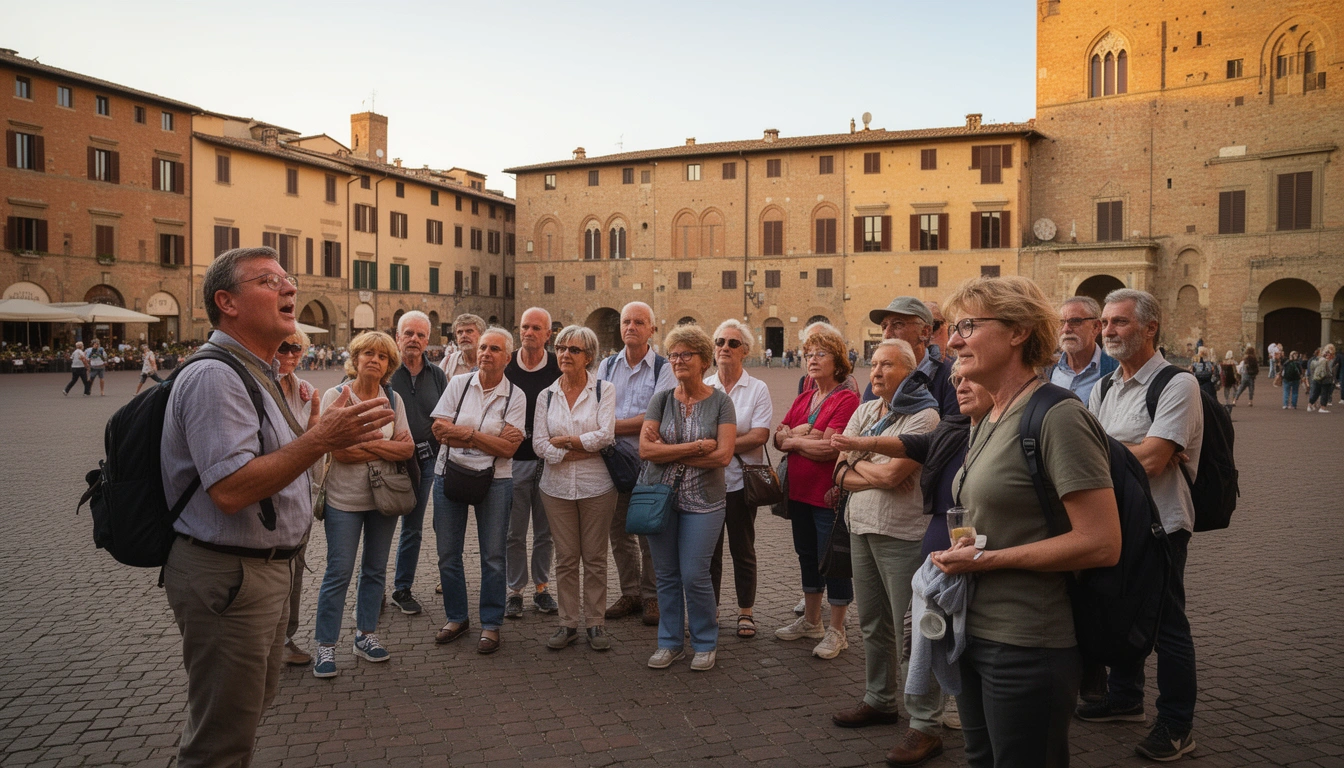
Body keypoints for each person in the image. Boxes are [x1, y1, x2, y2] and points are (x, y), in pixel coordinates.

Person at [162, 246, 393, 766]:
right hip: (229, 576)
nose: (290, 288)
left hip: (260, 575)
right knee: (220, 739)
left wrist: (312, 437)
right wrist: (321, 441)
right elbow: (231, 490)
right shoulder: (216, 377)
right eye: (270, 281)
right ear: (228, 302)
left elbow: (276, 463)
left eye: (288, 279)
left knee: (247, 712)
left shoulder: (258, 370)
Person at [931, 275, 1121, 768]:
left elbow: (1101, 542)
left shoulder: (1057, 416)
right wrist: (965, 553)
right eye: (954, 327)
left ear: (1017, 332)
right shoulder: (990, 416)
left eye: (968, 326)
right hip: (974, 632)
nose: (953, 340)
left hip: (1028, 642)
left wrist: (988, 560)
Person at [1084, 288, 1202, 761]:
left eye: (1120, 322)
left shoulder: (1178, 384)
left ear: (1151, 327)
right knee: (1116, 609)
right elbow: (1097, 454)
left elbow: (1152, 461)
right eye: (1106, 323)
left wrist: (1099, 455)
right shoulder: (1104, 386)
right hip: (1113, 520)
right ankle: (1125, 698)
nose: (1108, 331)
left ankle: (1176, 725)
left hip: (1161, 524)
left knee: (1167, 625)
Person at [828, 339, 944, 766]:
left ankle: (925, 723)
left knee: (910, 629)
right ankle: (879, 698)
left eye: (887, 365)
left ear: (910, 372)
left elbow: (896, 475)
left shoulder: (925, 415)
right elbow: (838, 469)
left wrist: (856, 458)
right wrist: (862, 465)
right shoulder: (868, 409)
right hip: (861, 526)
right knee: (873, 622)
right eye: (873, 364)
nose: (876, 372)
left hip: (901, 532)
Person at [312, 331, 414, 678]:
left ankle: (365, 635)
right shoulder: (336, 396)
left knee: (374, 570)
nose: (374, 359)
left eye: (382, 356)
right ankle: (325, 645)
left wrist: (365, 447)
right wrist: (383, 445)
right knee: (338, 572)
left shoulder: (393, 399)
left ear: (389, 365)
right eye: (367, 353)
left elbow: (407, 449)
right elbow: (337, 450)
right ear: (355, 359)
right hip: (344, 499)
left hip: (383, 497)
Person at [640, 324, 736, 671]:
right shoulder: (661, 399)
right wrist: (695, 447)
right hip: (661, 498)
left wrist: (669, 451)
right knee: (665, 574)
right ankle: (669, 643)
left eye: (686, 354)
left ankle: (705, 641)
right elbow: (645, 450)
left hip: (705, 502)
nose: (678, 360)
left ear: (704, 360)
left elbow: (723, 456)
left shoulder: (721, 402)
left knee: (694, 573)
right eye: (673, 355)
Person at [431, 328, 527, 654]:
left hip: (496, 481)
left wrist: (466, 435)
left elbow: (509, 449)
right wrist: (482, 437)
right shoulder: (458, 384)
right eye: (483, 347)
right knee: (447, 553)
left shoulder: (516, 395)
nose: (486, 353)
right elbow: (438, 430)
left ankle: (491, 623)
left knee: (494, 556)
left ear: (507, 358)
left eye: (494, 349)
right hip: (449, 476)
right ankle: (457, 617)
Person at [774, 326, 860, 659]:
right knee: (807, 555)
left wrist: (795, 440)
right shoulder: (804, 397)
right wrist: (804, 435)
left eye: (820, 354)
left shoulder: (846, 398)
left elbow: (830, 448)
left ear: (838, 361)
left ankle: (837, 630)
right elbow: (777, 436)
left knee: (834, 560)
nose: (812, 360)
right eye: (809, 354)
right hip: (798, 493)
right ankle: (811, 621)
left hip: (826, 495)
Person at [533, 325, 618, 651]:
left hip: (597, 486)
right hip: (555, 489)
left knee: (595, 558)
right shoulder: (547, 395)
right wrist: (578, 450)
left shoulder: (604, 390)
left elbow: (605, 435)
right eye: (561, 348)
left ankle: (595, 624)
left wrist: (564, 443)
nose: (565, 354)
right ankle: (568, 624)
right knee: (567, 558)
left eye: (574, 350)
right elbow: (540, 443)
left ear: (589, 357)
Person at [599, 301, 676, 625]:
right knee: (618, 533)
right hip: (613, 464)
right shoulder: (605, 366)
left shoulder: (663, 368)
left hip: (648, 464)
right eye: (626, 321)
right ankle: (630, 592)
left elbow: (655, 419)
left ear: (652, 330)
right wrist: (615, 424)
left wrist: (610, 426)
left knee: (649, 533)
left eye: (639, 322)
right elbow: (596, 407)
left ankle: (652, 597)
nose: (631, 327)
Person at [704, 319, 773, 639]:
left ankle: (746, 611)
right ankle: (711, 610)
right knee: (710, 551)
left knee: (743, 548)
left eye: (732, 343)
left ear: (745, 351)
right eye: (720, 342)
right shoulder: (705, 386)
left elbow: (759, 435)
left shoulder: (757, 388)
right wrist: (727, 446)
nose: (724, 348)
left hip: (742, 483)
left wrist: (721, 448)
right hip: (708, 482)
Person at [388, 311, 449, 616]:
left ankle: (402, 588)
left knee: (413, 528)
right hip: (389, 461)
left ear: (428, 341)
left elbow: (446, 415)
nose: (414, 339)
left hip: (426, 461)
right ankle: (370, 589)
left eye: (420, 335)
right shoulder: (385, 370)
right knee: (379, 526)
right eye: (408, 333)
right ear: (397, 336)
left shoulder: (437, 375)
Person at [504, 308, 563, 618]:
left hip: (547, 460)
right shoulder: (506, 364)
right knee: (514, 532)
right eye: (524, 326)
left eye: (536, 328)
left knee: (545, 532)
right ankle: (515, 590)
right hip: (512, 461)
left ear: (547, 334)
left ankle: (541, 587)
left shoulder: (557, 366)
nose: (528, 332)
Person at [275, 329, 317, 668]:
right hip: (271, 496)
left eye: (297, 349)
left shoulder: (304, 391)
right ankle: (267, 642)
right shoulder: (261, 387)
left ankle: (286, 637)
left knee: (295, 572)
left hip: (300, 495)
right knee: (271, 576)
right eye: (283, 348)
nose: (290, 355)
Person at [865, 297, 959, 417]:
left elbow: (953, 431)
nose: (887, 334)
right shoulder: (878, 379)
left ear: (924, 332)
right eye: (884, 326)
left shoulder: (950, 377)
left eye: (898, 325)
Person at [1050, 296, 1118, 404]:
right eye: (1061, 323)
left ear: (1096, 327)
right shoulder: (1048, 371)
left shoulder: (1116, 371)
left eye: (1075, 321)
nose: (1066, 329)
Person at [440, 313, 485, 377]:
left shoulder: (489, 360)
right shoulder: (448, 362)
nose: (464, 335)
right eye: (460, 332)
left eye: (469, 331)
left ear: (482, 335)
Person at [1307, 344, 1335, 413]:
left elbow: (1313, 367)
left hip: (1318, 377)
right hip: (1326, 378)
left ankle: (1309, 405)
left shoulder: (1319, 358)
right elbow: (1330, 370)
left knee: (1316, 392)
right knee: (1325, 393)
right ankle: (1323, 407)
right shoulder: (1329, 359)